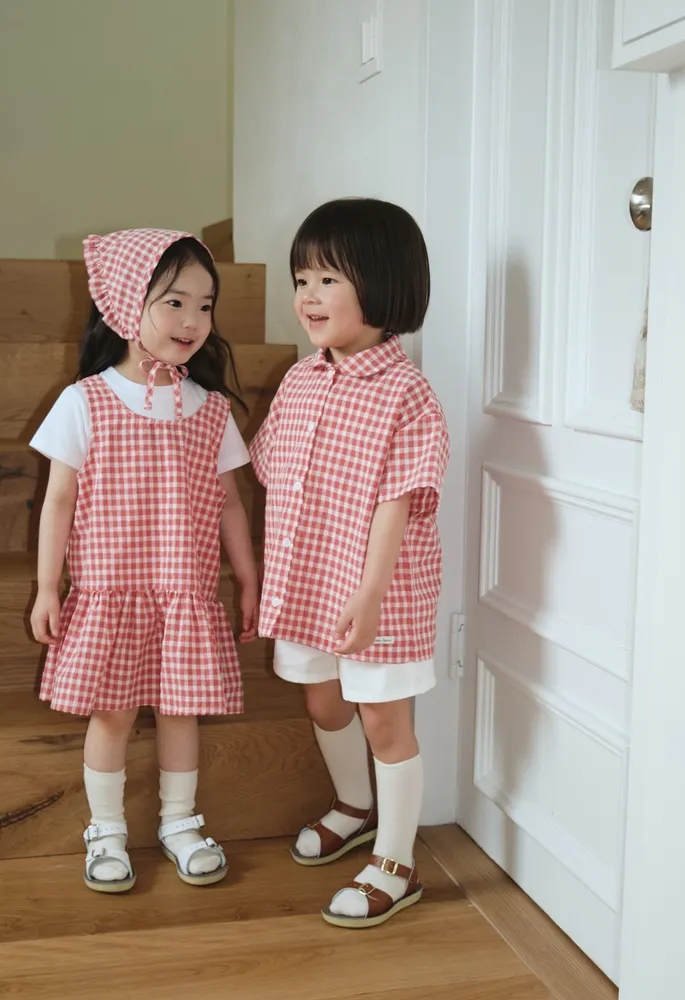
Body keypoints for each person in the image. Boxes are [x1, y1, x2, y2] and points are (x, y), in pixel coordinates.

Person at [29, 228, 258, 893]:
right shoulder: (86, 400)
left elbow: (230, 503)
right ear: (125, 305)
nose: (194, 320)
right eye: (175, 302)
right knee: (112, 713)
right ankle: (105, 829)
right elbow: (58, 501)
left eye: (205, 305)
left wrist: (248, 576)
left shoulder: (210, 410)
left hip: (184, 592)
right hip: (112, 592)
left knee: (182, 711)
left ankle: (179, 821)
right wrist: (48, 587)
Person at [250, 198, 449, 928]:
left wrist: (369, 594)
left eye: (327, 280)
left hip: (377, 591)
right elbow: (272, 471)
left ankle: (397, 862)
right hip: (307, 581)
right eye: (301, 280)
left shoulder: (406, 393)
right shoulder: (300, 380)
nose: (307, 296)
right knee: (322, 701)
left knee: (384, 722)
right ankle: (354, 805)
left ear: (384, 283)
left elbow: (398, 501)